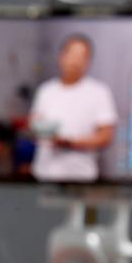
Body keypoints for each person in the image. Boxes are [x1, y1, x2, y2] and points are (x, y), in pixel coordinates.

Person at [31, 33, 117, 181]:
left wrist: (70, 142)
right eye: (72, 55)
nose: (75, 61)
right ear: (62, 57)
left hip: (81, 175)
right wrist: (41, 133)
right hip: (44, 174)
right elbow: (35, 125)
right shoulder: (46, 91)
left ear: (88, 61)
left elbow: (106, 137)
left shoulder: (99, 92)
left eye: (82, 57)